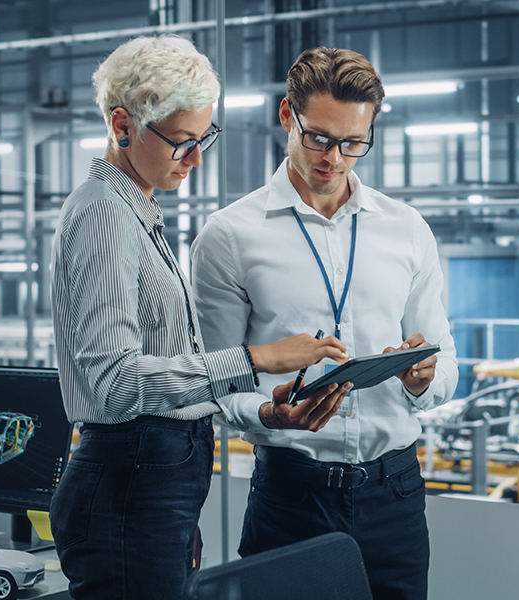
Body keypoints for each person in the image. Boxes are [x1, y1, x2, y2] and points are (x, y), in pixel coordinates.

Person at [49, 36, 352, 600]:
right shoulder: (103, 217)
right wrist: (257, 358)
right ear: (122, 124)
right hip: (130, 480)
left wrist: (264, 405)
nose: (197, 159)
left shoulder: (135, 209)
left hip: (155, 478)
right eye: (182, 142)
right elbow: (113, 387)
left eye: (205, 137)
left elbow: (165, 365)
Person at [191, 46, 458, 600]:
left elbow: (446, 360)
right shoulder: (229, 235)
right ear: (288, 116)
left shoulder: (407, 229)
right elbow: (214, 380)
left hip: (396, 496)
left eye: (354, 143)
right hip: (291, 496)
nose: (334, 158)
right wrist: (268, 412)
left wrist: (424, 376)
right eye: (319, 137)